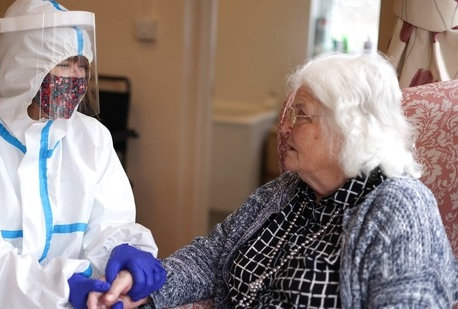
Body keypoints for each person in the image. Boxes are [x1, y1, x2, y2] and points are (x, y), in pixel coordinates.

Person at [94, 52, 458, 308]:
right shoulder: (287, 190)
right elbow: (213, 255)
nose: (284, 127)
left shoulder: (400, 208)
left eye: (301, 115)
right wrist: (146, 287)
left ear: (349, 128)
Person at [0, 1, 165, 308]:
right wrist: (66, 287)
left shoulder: (92, 137)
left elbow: (108, 226)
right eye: (63, 63)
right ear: (26, 66)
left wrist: (125, 254)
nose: (76, 77)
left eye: (82, 65)